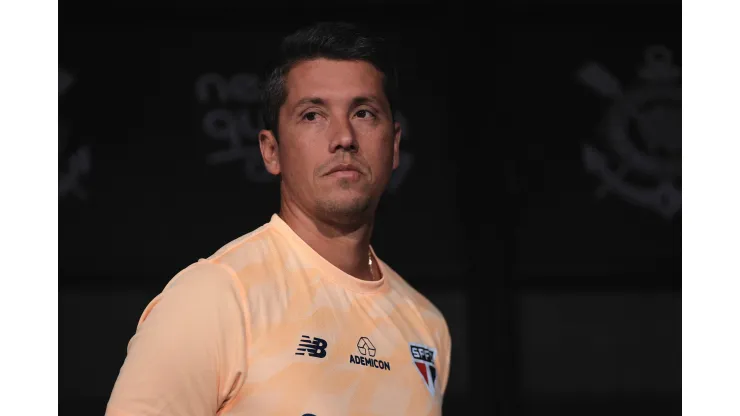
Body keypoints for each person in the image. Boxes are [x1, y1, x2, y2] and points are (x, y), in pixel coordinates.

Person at [106, 21, 451, 416]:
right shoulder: (217, 296)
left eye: (364, 112)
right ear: (271, 151)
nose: (343, 136)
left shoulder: (426, 325)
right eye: (312, 115)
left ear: (393, 145)